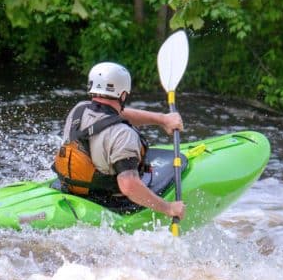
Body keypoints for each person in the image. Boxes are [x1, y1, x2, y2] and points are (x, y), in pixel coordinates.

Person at [53, 62, 185, 219]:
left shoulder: (79, 109)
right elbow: (129, 186)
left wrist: (162, 119)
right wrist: (168, 208)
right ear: (123, 95)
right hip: (108, 200)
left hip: (73, 188)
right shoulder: (124, 135)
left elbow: (115, 115)